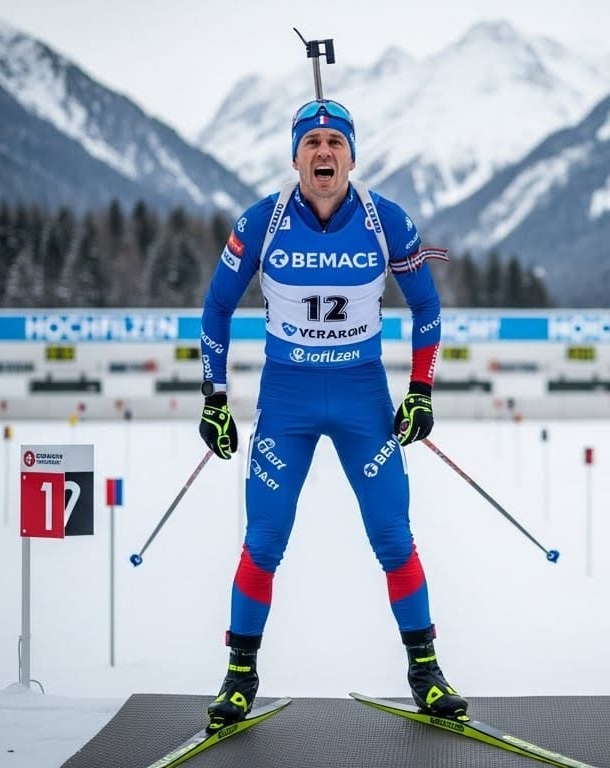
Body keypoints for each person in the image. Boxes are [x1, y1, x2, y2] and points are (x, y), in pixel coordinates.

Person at [195, 97, 466, 733]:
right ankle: (238, 680)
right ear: (294, 157)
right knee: (263, 542)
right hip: (285, 401)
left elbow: (426, 309)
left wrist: (421, 389)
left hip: (361, 397)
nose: (324, 151)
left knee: (394, 538)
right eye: (311, 142)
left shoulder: (386, 221)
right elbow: (215, 309)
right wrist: (214, 397)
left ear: (352, 154)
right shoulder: (261, 222)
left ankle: (426, 676)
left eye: (335, 142)